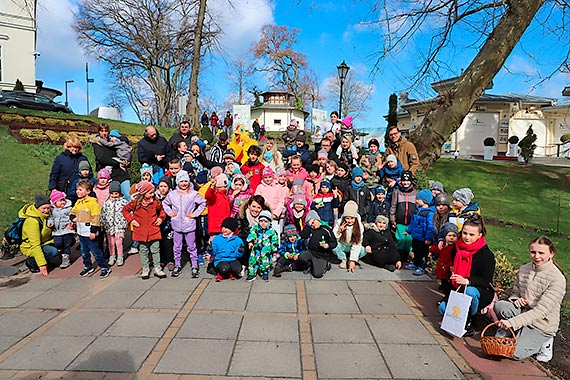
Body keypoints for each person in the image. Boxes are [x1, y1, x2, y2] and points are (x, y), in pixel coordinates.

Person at [494, 236, 566, 362]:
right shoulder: (524, 269)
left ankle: (546, 341)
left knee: (514, 353)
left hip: (541, 323)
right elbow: (515, 292)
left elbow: (540, 311)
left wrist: (512, 322)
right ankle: (516, 331)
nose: (536, 256)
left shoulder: (557, 279)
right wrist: (515, 299)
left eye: (541, 253)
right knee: (500, 306)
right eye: (533, 252)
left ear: (551, 253)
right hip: (524, 313)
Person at [437, 216, 496, 336]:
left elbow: (486, 280)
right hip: (457, 288)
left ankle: (470, 319)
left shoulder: (486, 255)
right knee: (442, 308)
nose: (467, 237)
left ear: (479, 235)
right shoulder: (457, 248)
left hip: (479, 289)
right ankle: (461, 318)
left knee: (470, 292)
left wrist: (467, 280)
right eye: (464, 233)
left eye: (471, 234)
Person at [162, 171, 207, 278]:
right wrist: (170, 213)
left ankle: (194, 265)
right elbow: (165, 203)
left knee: (192, 246)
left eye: (186, 181)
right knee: (177, 246)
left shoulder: (193, 194)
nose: (184, 183)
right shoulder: (172, 194)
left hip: (189, 225)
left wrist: (195, 214)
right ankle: (177, 264)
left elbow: (203, 203)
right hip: (176, 225)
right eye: (181, 181)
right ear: (177, 182)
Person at [122, 180, 167, 280]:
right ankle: (145, 268)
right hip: (141, 231)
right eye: (150, 192)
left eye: (153, 192)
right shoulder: (135, 203)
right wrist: (131, 220)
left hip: (153, 230)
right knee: (143, 250)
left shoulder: (155, 202)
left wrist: (161, 218)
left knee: (155, 250)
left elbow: (162, 211)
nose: (152, 194)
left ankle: (157, 268)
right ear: (143, 193)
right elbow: (125, 210)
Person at [70, 180, 111, 278]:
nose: (77, 191)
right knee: (84, 252)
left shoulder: (93, 203)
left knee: (96, 251)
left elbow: (96, 218)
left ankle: (104, 267)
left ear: (88, 191)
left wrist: (93, 231)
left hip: (89, 232)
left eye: (80, 190)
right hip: (81, 232)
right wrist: (72, 218)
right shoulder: (79, 202)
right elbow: (73, 212)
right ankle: (88, 266)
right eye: (77, 189)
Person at [90, 123, 132, 201]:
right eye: (102, 131)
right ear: (99, 132)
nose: (104, 133)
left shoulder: (114, 142)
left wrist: (127, 162)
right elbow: (102, 158)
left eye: (106, 131)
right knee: (112, 198)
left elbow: (123, 153)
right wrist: (118, 163)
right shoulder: (97, 144)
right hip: (109, 175)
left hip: (121, 172)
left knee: (127, 195)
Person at [19, 194, 58, 276]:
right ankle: (32, 263)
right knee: (52, 251)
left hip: (45, 242)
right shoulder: (32, 222)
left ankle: (46, 259)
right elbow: (35, 245)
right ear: (37, 208)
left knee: (64, 241)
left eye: (48, 208)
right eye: (43, 208)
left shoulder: (47, 216)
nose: (46, 211)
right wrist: (42, 264)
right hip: (30, 246)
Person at [48, 137, 88, 204]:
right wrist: (53, 189)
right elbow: (54, 174)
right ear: (67, 147)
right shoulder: (60, 158)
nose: (74, 149)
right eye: (71, 146)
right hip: (63, 190)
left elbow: (89, 173)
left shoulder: (83, 158)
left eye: (76, 147)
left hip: (79, 190)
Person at [298, 210, 338, 279]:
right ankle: (310, 265)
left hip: (322, 255)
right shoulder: (310, 229)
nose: (313, 225)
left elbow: (334, 243)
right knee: (301, 257)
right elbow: (303, 235)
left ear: (317, 220)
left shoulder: (326, 229)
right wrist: (308, 225)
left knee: (317, 274)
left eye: (313, 222)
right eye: (311, 224)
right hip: (311, 252)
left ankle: (325, 265)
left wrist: (328, 245)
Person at [405, 189, 435, 276]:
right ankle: (416, 263)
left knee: (422, 253)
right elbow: (412, 222)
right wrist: (409, 230)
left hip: (423, 238)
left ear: (425, 201)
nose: (416, 200)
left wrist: (428, 238)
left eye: (419, 199)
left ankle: (421, 266)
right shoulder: (417, 210)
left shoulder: (429, 213)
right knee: (416, 250)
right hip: (416, 236)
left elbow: (430, 226)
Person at [389, 171, 417, 264]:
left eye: (408, 181)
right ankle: (399, 257)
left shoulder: (415, 193)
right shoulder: (396, 192)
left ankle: (408, 257)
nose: (405, 183)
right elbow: (393, 206)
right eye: (404, 181)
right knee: (400, 239)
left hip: (411, 222)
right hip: (400, 220)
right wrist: (392, 219)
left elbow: (417, 208)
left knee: (409, 240)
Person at [100, 181, 129, 267]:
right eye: (112, 194)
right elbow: (103, 213)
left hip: (119, 226)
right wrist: (102, 223)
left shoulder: (124, 202)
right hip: (109, 226)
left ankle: (120, 256)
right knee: (110, 243)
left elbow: (128, 213)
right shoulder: (107, 203)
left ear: (120, 193)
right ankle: (112, 256)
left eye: (116, 193)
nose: (114, 196)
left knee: (119, 242)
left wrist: (126, 222)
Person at [255, 167, 289, 238]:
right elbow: (257, 200)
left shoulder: (277, 187)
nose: (268, 179)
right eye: (266, 177)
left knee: (275, 233)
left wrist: (276, 214)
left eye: (270, 177)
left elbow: (281, 201)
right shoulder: (260, 187)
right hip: (263, 214)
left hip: (276, 215)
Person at [246, 210, 279, 282]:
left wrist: (274, 250)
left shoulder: (272, 231)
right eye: (261, 221)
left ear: (269, 222)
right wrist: (251, 242)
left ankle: (264, 272)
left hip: (266, 250)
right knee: (252, 261)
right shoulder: (255, 228)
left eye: (265, 221)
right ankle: (251, 274)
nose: (263, 223)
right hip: (256, 249)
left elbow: (274, 241)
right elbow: (252, 234)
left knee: (265, 262)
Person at [333, 201, 365, 272]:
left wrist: (352, 261)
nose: (350, 221)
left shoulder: (359, 226)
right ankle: (343, 258)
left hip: (352, 245)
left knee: (363, 250)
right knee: (334, 246)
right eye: (347, 218)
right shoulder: (339, 222)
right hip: (342, 245)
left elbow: (357, 243)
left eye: (352, 218)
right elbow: (334, 238)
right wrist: (339, 232)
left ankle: (353, 258)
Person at [47, 190, 75, 269]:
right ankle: (61, 252)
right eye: (60, 201)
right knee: (58, 243)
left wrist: (72, 222)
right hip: (57, 231)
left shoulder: (69, 208)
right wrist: (50, 222)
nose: (62, 202)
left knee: (67, 244)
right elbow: (51, 217)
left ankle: (66, 258)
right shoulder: (53, 210)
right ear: (54, 203)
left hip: (67, 229)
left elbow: (73, 216)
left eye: (63, 200)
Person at [431, 222, 459, 295]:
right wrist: (431, 248)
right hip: (441, 266)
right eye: (449, 235)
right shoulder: (443, 245)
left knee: (448, 280)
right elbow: (437, 249)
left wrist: (448, 266)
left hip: (448, 267)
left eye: (454, 236)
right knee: (443, 278)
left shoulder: (455, 248)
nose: (451, 238)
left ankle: (446, 289)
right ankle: (443, 285)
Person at [155, 177, 174, 270]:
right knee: (160, 244)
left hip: (169, 225)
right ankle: (161, 260)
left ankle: (171, 260)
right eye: (161, 186)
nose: (162, 188)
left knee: (169, 244)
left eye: (165, 186)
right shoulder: (155, 197)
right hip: (158, 224)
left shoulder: (172, 196)